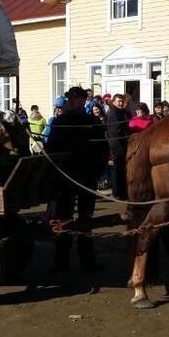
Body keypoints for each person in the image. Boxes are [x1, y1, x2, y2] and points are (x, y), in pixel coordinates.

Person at [46, 86, 109, 271]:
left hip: (87, 178)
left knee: (86, 221)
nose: (72, 102)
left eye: (77, 99)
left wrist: (97, 173)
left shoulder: (93, 122)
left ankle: (87, 261)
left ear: (83, 100)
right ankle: (61, 262)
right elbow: (51, 151)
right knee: (63, 220)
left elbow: (103, 150)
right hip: (65, 178)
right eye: (70, 99)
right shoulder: (60, 122)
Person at [106, 93, 130, 200]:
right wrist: (126, 139)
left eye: (122, 101)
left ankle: (121, 191)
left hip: (122, 144)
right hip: (118, 145)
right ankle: (117, 192)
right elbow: (115, 131)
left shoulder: (122, 112)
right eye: (118, 101)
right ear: (114, 102)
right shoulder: (114, 113)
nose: (120, 103)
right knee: (118, 169)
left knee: (121, 169)